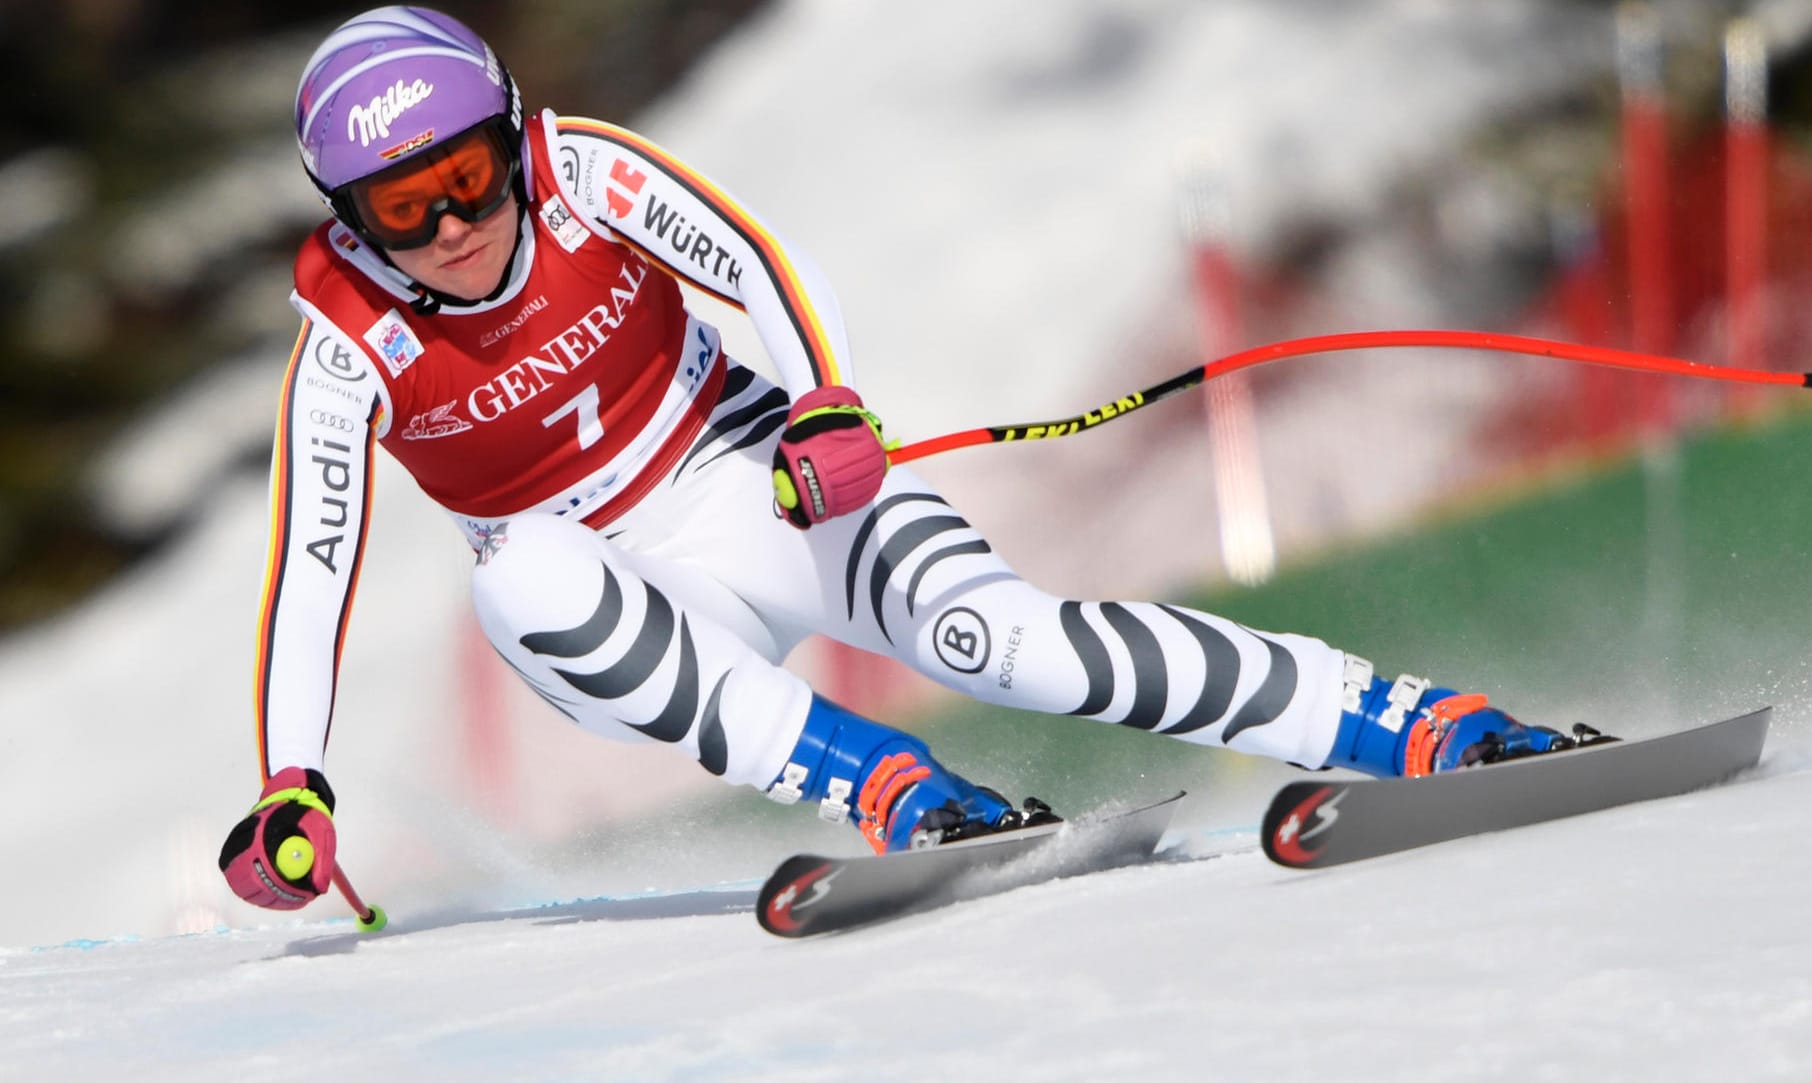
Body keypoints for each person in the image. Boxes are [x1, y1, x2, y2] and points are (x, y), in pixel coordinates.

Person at [219, 6, 1573, 913]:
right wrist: (294, 783)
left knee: (1009, 644)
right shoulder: (345, 349)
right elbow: (309, 567)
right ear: (349, 220)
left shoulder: (585, 176)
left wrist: (822, 406)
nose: (456, 226)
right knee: (519, 583)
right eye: (405, 208)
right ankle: (890, 788)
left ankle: (1418, 726)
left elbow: (755, 264)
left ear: (511, 140)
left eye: (469, 176)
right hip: (632, 596)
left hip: (762, 479)